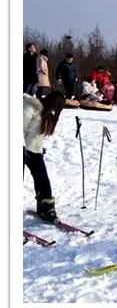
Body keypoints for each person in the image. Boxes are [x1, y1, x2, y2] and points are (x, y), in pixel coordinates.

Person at [23, 90, 66, 222]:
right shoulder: (31, 107)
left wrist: (40, 148)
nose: (55, 111)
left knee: (43, 179)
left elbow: (37, 134)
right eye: (55, 107)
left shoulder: (47, 113)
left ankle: (46, 208)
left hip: (34, 151)